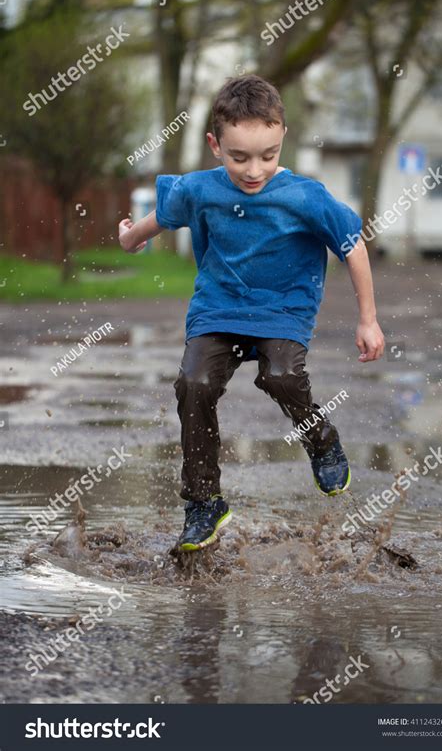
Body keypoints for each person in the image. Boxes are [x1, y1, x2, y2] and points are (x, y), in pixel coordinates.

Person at [118, 74, 385, 552]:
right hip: (218, 308)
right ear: (214, 144)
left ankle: (320, 439)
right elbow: (158, 220)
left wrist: (368, 318)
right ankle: (204, 502)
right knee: (193, 384)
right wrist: (129, 239)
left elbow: (353, 247)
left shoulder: (305, 196)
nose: (254, 170)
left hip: (283, 309)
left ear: (282, 136)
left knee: (281, 374)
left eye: (268, 155)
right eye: (239, 157)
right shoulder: (199, 189)